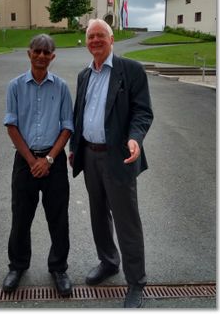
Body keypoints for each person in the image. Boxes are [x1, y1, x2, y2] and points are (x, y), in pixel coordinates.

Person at [69, 19, 153, 308]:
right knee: (98, 214)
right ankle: (108, 261)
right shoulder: (84, 76)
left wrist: (135, 138)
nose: (94, 40)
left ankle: (136, 282)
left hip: (119, 156)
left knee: (126, 219)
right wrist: (74, 148)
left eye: (100, 36)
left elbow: (143, 112)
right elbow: (79, 114)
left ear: (111, 39)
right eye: (90, 36)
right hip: (90, 155)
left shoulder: (131, 70)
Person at [3, 34, 74, 296]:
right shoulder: (15, 86)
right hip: (25, 162)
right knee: (21, 217)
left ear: (53, 57)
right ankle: (17, 266)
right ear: (29, 53)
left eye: (47, 52)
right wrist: (33, 161)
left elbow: (67, 126)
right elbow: (11, 125)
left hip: (53, 163)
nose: (42, 56)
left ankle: (58, 268)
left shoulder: (62, 88)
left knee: (58, 218)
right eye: (37, 51)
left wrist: (49, 159)